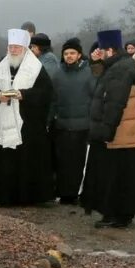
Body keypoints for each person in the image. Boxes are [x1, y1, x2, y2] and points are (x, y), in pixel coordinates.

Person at [0, 28, 55, 206]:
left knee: (26, 160)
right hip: (3, 119)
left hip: (27, 122)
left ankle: (28, 196)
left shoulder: (36, 68)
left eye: (17, 47)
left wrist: (24, 95)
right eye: (10, 47)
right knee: (4, 160)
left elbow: (46, 93)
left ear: (25, 48)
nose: (13, 50)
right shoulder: (1, 68)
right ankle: (3, 195)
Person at [82, 29, 135, 228]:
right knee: (120, 174)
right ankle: (117, 213)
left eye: (101, 50)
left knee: (117, 175)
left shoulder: (120, 69)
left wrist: (106, 131)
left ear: (109, 50)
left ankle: (118, 214)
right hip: (124, 132)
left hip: (119, 133)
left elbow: (114, 103)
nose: (99, 53)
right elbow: (101, 84)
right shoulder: (120, 65)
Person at [51, 37, 95, 204]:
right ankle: (63, 193)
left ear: (79, 55)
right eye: (66, 53)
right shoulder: (58, 73)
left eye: (72, 53)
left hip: (82, 125)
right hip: (61, 124)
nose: (69, 56)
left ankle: (75, 193)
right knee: (62, 161)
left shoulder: (88, 72)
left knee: (77, 162)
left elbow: (95, 96)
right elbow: (53, 100)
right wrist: (50, 120)